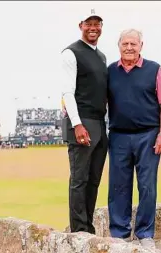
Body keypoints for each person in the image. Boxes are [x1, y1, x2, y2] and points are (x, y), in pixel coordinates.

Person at [106, 29, 161, 249]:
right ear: (119, 46)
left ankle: (145, 234)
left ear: (141, 46)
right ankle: (119, 232)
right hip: (118, 136)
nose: (129, 48)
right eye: (125, 43)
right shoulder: (110, 72)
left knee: (147, 186)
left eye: (133, 44)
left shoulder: (154, 69)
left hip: (148, 135)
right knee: (118, 186)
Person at [60, 9, 108, 234]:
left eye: (97, 23)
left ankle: (88, 227)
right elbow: (68, 92)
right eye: (89, 23)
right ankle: (79, 230)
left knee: (93, 180)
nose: (93, 28)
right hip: (82, 122)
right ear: (81, 25)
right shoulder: (71, 53)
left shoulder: (101, 57)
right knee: (79, 179)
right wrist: (77, 124)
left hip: (99, 123)